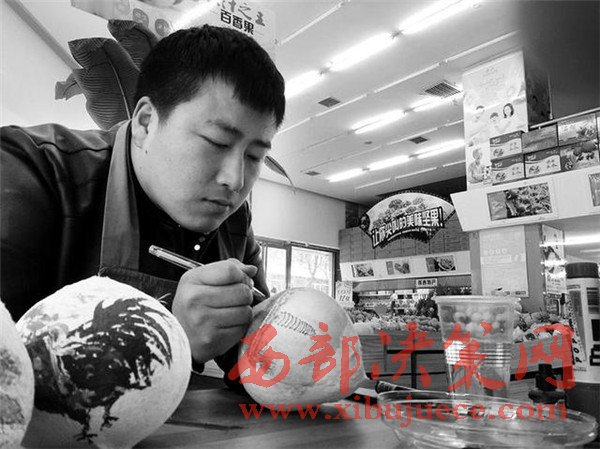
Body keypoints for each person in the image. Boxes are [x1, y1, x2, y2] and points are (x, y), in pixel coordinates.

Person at [1, 25, 285, 376]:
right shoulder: (29, 171)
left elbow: (260, 356)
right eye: (216, 142)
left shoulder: (234, 221)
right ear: (146, 123)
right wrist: (167, 337)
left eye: (255, 156)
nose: (235, 179)